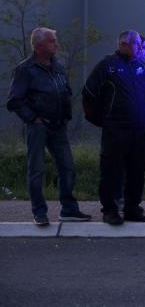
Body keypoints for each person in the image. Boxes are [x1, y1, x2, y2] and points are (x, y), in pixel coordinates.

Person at [6, 27, 91, 226]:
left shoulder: (58, 66)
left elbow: (65, 91)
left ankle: (69, 209)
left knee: (67, 167)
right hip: (38, 126)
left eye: (55, 40)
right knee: (36, 169)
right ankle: (39, 212)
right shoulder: (25, 69)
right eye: (52, 41)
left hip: (58, 125)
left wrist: (66, 115)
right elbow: (14, 100)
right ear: (39, 46)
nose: (57, 44)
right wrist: (33, 118)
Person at [83, 30, 145, 225]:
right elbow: (89, 92)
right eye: (137, 44)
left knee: (137, 170)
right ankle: (110, 209)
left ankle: (132, 208)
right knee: (112, 170)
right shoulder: (108, 65)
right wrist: (103, 120)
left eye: (141, 44)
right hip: (116, 130)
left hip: (140, 130)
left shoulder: (142, 67)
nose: (140, 48)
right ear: (123, 44)